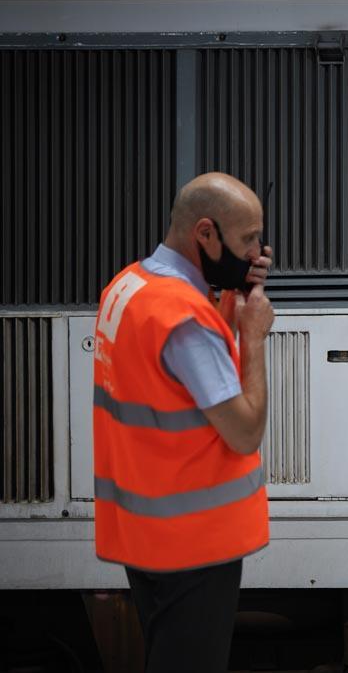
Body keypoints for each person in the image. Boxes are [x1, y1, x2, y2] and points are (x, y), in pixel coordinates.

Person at [92, 172, 275, 673]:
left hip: (148, 534)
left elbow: (169, 388)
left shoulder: (129, 287)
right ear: (206, 234)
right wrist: (254, 338)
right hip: (194, 546)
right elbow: (244, 432)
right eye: (248, 238)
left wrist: (231, 296)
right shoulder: (184, 317)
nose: (259, 251)